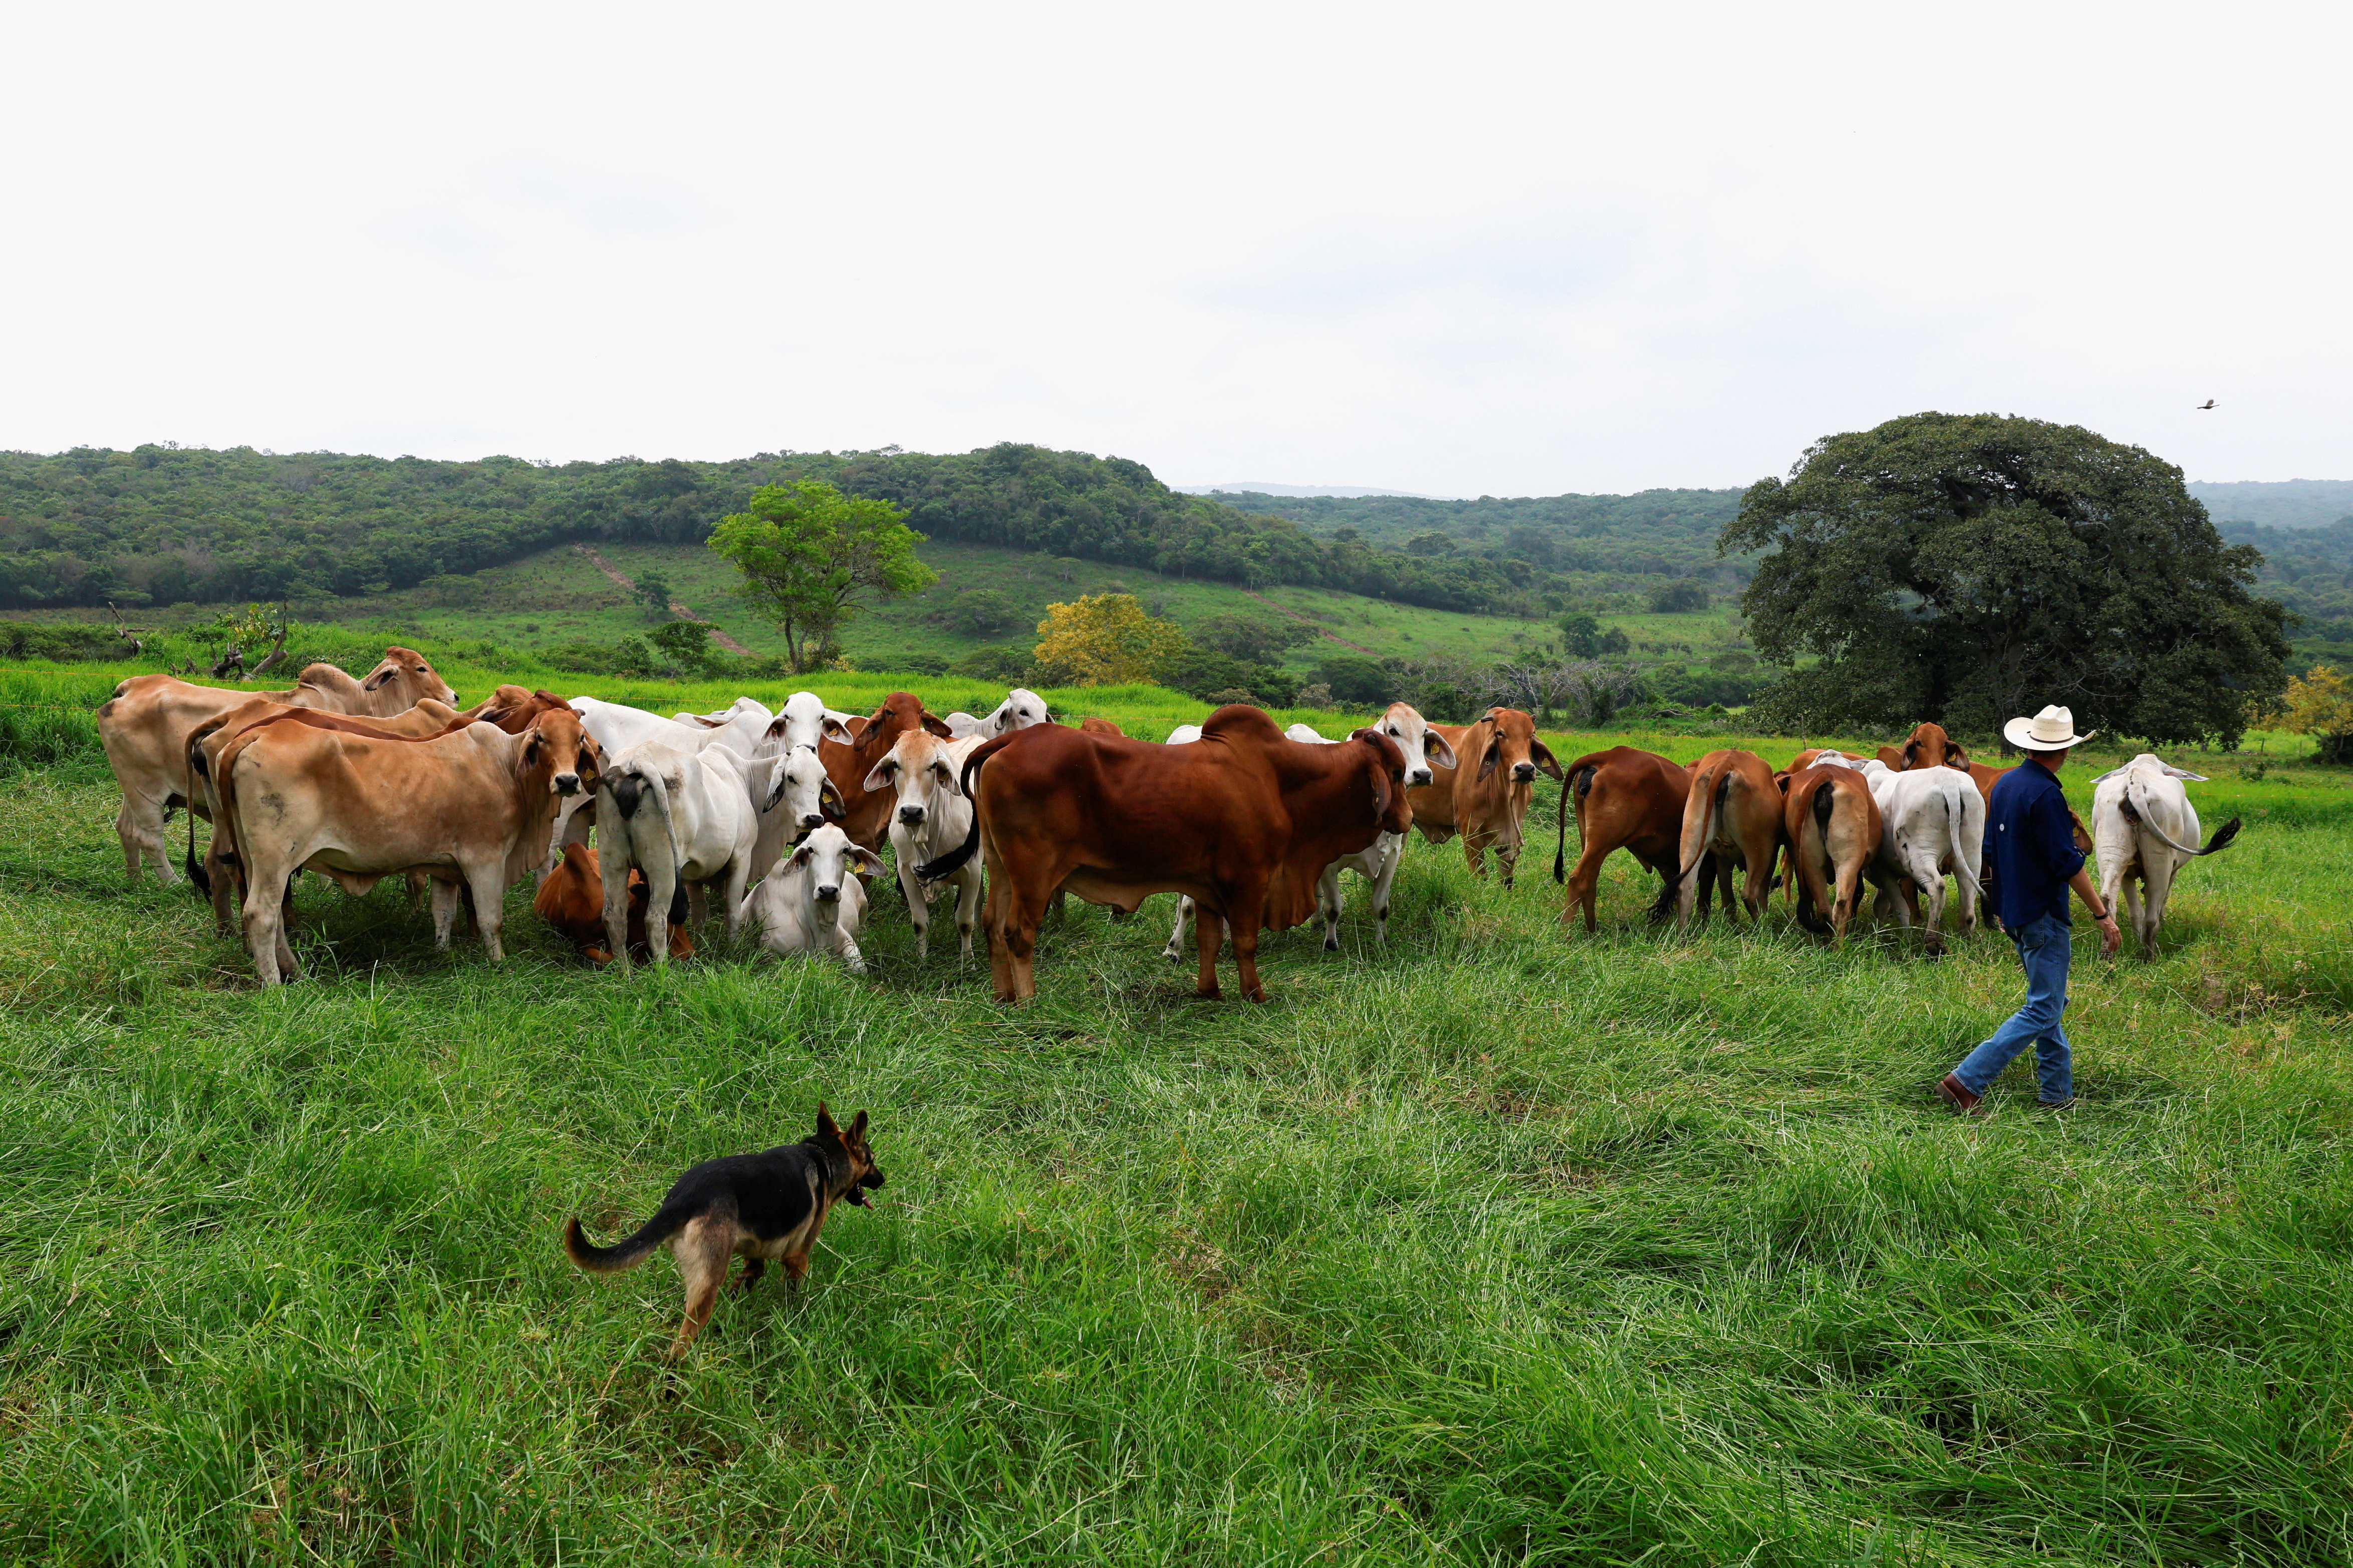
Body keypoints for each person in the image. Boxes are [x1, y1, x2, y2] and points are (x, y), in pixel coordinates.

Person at [1936, 705, 2122, 1115]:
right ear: (2065, 751)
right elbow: (2067, 864)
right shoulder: (2045, 794)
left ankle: (2055, 1093)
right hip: (2042, 913)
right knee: (2043, 1006)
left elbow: (1990, 851)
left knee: (2048, 1002)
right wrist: (2101, 915)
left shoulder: (2005, 786)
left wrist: (2000, 904)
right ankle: (1965, 1081)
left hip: (2016, 911)